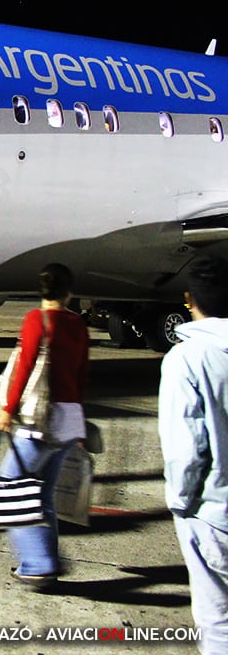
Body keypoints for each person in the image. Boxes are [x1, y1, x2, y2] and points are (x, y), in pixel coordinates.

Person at [0, 262, 90, 590]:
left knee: (11, 490)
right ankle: (42, 560)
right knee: (43, 494)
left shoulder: (38, 320)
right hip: (69, 421)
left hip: (40, 420)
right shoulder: (78, 325)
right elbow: (82, 375)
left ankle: (38, 564)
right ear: (68, 292)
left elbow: (25, 367)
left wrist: (7, 409)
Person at [158, 254, 228, 651]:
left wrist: (180, 501)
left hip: (213, 512)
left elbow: (186, 446)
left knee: (216, 620)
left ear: (192, 301)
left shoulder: (187, 358)